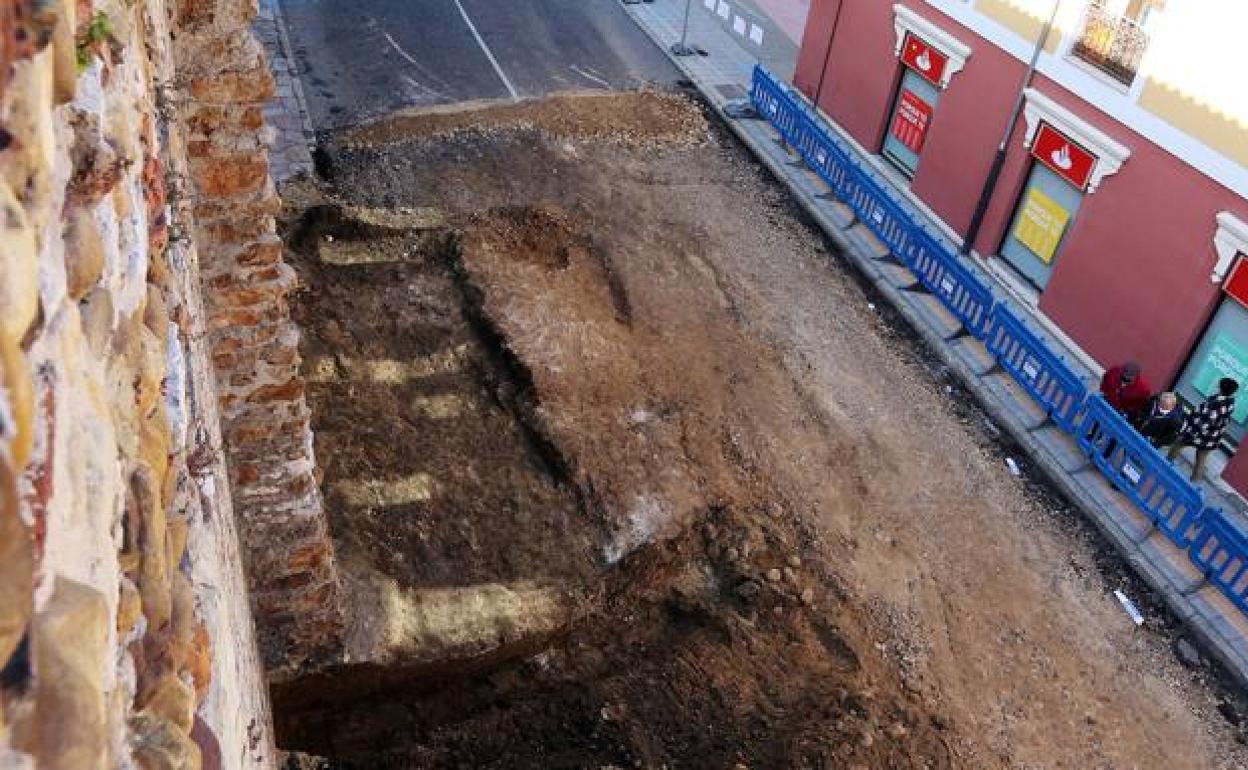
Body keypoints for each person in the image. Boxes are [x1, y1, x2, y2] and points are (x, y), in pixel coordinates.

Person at [1168, 378, 1239, 481]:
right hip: (1212, 438)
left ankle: (1166, 463)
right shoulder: (1230, 403)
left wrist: (1188, 434)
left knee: (1178, 444)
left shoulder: (1215, 404)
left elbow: (1204, 423)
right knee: (1200, 460)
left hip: (1200, 435)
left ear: (1221, 387)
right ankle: (1193, 485)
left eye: (1219, 384)